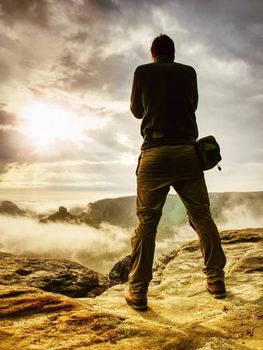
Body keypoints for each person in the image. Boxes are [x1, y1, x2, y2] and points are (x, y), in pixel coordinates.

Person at [125, 34, 226, 311]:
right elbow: (191, 105)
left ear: (153, 53)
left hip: (155, 154)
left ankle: (138, 292)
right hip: (186, 154)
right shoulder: (188, 72)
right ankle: (216, 280)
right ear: (173, 52)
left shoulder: (142, 72)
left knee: (146, 224)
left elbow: (136, 110)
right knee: (202, 217)